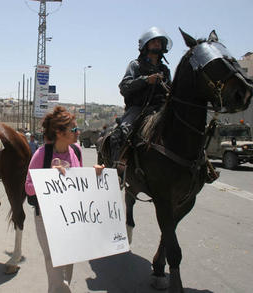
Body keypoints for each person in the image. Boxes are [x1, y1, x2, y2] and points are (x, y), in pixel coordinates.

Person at [25, 106, 104, 293]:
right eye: (74, 130)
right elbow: (28, 188)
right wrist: (49, 177)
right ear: (59, 133)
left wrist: (95, 174)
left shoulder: (76, 151)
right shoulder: (42, 155)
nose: (78, 133)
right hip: (46, 217)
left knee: (69, 257)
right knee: (53, 260)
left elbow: (80, 183)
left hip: (71, 216)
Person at [110, 26, 172, 164]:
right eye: (154, 41)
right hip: (139, 109)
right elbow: (124, 87)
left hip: (161, 108)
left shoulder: (165, 70)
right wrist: (145, 80)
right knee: (122, 132)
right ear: (145, 45)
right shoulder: (135, 65)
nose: (157, 44)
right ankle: (117, 167)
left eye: (159, 42)